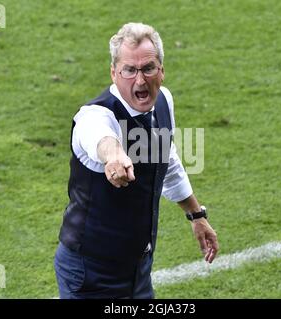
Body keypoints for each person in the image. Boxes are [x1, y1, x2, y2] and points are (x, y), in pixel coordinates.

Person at [54, 22, 219, 299]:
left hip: (138, 270)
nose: (140, 80)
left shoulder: (164, 102)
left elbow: (167, 160)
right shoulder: (95, 116)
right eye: (129, 70)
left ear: (162, 71)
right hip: (89, 273)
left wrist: (196, 215)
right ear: (113, 73)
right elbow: (101, 138)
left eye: (148, 68)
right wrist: (115, 156)